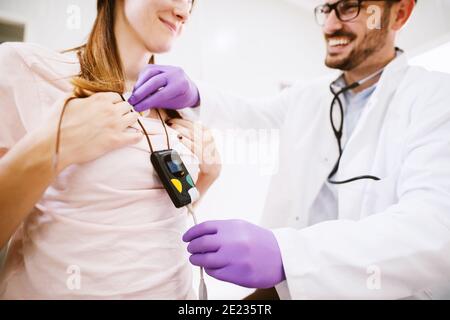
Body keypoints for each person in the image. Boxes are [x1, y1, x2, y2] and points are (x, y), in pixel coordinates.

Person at [129, 0, 450, 299]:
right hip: (294, 286)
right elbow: (251, 113)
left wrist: (288, 255)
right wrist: (196, 95)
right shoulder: (311, 95)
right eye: (327, 9)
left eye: (350, 7)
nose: (330, 24)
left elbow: (434, 230)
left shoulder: (434, 97)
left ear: (400, 13)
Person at [0, 0, 221, 299]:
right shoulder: (25, 68)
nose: (185, 11)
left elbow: (152, 216)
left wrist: (208, 174)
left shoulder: (179, 107)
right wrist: (54, 145)